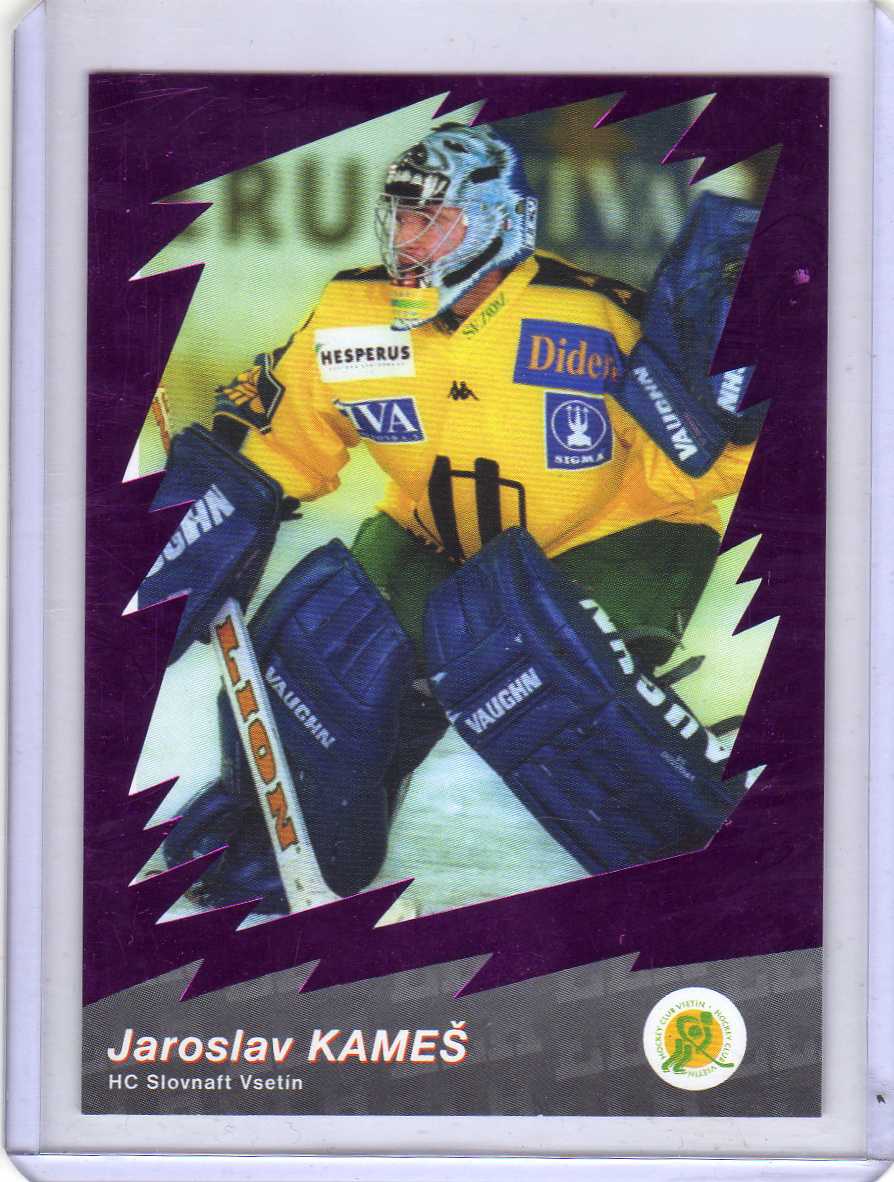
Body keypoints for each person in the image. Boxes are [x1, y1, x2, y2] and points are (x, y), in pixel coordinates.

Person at [145, 123, 763, 914]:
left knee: (534, 668)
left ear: (503, 224)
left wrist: (730, 411)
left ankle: (722, 851)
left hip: (619, 535)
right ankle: (268, 843)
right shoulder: (352, 312)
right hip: (432, 537)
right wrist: (217, 508)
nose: (409, 239)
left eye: (435, 220)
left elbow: (703, 465)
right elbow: (279, 436)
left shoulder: (593, 318)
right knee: (326, 667)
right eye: (402, 217)